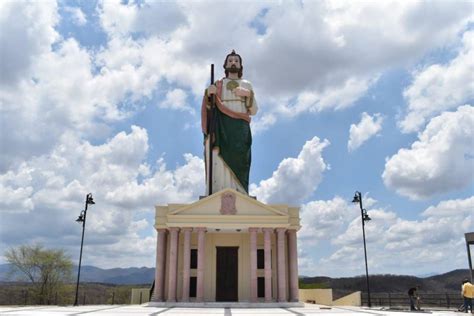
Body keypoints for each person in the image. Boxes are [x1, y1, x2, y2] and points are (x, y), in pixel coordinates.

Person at [201, 50, 258, 195]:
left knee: (240, 158)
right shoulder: (219, 84)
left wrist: (247, 94)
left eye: (236, 61)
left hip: (240, 127)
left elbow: (254, 110)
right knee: (218, 154)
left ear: (240, 65)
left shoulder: (246, 84)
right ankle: (218, 191)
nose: (233, 62)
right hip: (221, 126)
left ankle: (240, 192)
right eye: (230, 60)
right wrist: (209, 94)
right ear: (225, 65)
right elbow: (208, 108)